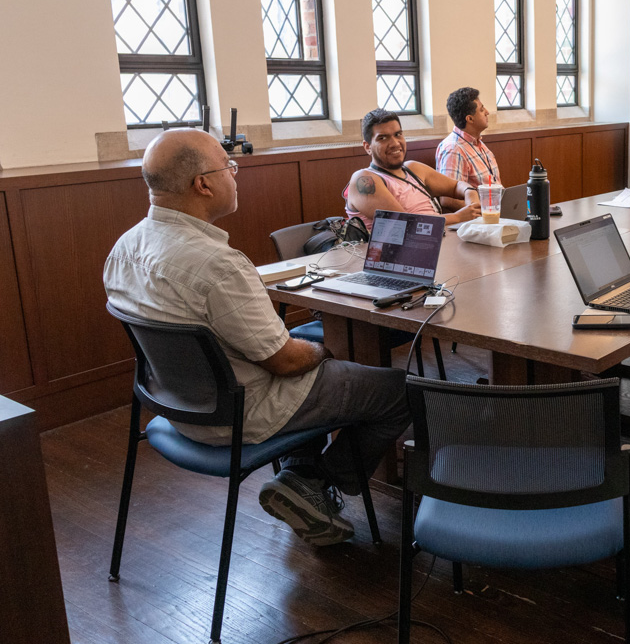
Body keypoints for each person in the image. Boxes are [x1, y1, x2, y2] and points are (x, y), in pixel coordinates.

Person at [104, 129, 411, 547]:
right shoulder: (217, 264)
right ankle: (316, 482)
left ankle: (297, 478)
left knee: (307, 338)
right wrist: (324, 351)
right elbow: (284, 362)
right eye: (229, 167)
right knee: (401, 390)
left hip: (178, 405)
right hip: (242, 412)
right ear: (203, 184)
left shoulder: (122, 248)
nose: (235, 175)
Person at [345, 108, 481, 230]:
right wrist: (458, 217)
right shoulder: (364, 179)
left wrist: (470, 196)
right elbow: (405, 223)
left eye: (398, 134)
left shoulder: (413, 169)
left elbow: (457, 186)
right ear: (367, 147)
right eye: (383, 138)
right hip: (396, 254)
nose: (394, 143)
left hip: (438, 243)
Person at [436, 87, 500, 211]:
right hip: (479, 220)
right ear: (470, 119)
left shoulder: (477, 142)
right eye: (482, 110)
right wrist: (484, 210)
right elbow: (448, 200)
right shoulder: (454, 149)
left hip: (495, 213)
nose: (487, 112)